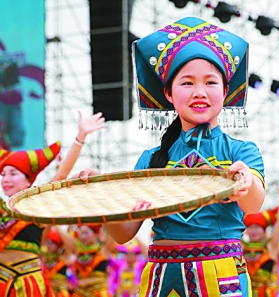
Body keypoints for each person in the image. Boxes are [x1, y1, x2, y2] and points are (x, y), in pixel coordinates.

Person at [75, 16, 265, 296]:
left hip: (221, 276)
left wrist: (245, 182)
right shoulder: (151, 160)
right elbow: (123, 233)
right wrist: (102, 198)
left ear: (225, 91)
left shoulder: (241, 151)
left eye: (210, 82)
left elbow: (254, 204)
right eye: (187, 83)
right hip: (162, 278)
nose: (199, 92)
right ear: (168, 94)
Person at [0, 112, 105, 296]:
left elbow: (61, 176)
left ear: (28, 181)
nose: (6, 179)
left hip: (27, 285)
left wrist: (80, 137)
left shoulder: (36, 207)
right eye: (3, 174)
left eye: (13, 173)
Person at [242, 181, 279, 296]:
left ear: (264, 231)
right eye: (250, 227)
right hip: (245, 292)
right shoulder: (242, 246)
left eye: (257, 227)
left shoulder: (270, 247)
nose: (253, 231)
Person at [42, 227, 76, 297]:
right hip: (46, 292)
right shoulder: (43, 256)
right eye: (47, 241)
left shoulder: (64, 257)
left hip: (60, 294)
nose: (48, 244)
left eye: (51, 242)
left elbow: (72, 246)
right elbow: (40, 239)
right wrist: (49, 224)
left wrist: (57, 226)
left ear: (58, 245)